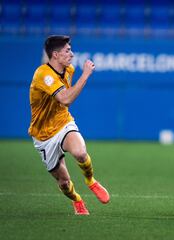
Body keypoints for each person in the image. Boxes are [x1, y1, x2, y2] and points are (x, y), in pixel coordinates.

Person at [28, 35, 110, 215]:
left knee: (81, 153)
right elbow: (65, 98)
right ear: (55, 55)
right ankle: (77, 200)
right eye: (67, 51)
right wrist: (86, 75)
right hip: (43, 135)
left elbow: (66, 102)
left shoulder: (69, 70)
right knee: (64, 182)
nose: (72, 54)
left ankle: (91, 181)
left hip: (63, 122)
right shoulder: (43, 74)